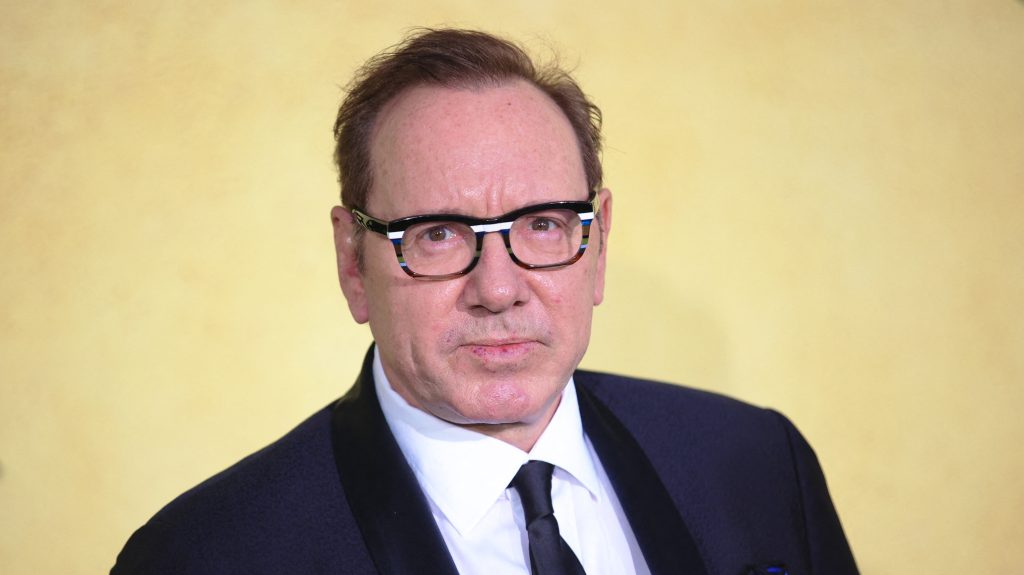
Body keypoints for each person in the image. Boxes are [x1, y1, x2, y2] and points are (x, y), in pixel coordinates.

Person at [112, 28, 858, 575]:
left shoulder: (760, 463)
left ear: (598, 246)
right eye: (437, 234)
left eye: (543, 225)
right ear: (352, 262)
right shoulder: (205, 555)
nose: (498, 290)